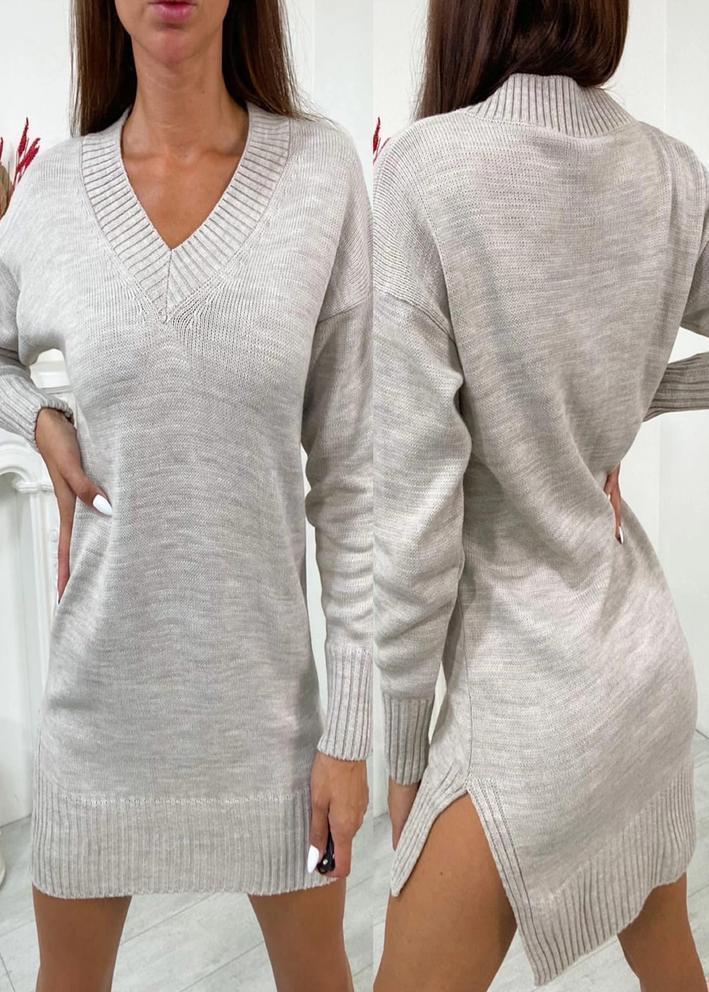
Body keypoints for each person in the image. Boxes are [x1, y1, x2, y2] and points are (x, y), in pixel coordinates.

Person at [0, 1, 372, 989]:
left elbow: (353, 481)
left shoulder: (320, 175)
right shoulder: (53, 191)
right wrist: (40, 417)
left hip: (272, 732)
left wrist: (349, 734)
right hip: (96, 721)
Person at [373, 1, 709, 989]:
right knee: (670, 959)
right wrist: (637, 397)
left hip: (523, 702)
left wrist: (402, 756)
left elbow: (415, 518)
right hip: (644, 665)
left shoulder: (426, 173)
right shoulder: (671, 174)